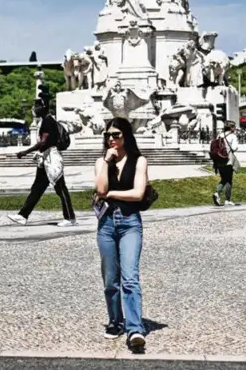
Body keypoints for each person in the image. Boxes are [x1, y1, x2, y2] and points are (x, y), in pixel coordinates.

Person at [94, 117, 150, 353]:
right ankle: (116, 321)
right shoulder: (101, 161)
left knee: (129, 277)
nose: (112, 139)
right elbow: (100, 190)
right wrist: (107, 162)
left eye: (116, 135)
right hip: (106, 224)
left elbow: (138, 194)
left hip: (129, 224)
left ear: (126, 136)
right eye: (108, 135)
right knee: (110, 280)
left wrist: (113, 195)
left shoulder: (139, 161)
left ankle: (135, 328)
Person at [8, 88, 77, 227]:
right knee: (37, 188)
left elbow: (44, 141)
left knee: (60, 188)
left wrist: (25, 152)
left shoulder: (47, 121)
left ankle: (70, 218)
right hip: (45, 158)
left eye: (36, 106)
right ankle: (23, 215)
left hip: (51, 158)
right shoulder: (46, 120)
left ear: (43, 107)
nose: (34, 108)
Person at [212, 121, 240, 207]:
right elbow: (235, 148)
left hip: (219, 160)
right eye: (234, 127)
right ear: (231, 127)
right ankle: (221, 196)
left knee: (223, 178)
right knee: (228, 180)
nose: (235, 128)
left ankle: (222, 197)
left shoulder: (219, 135)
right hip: (228, 160)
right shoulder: (233, 136)